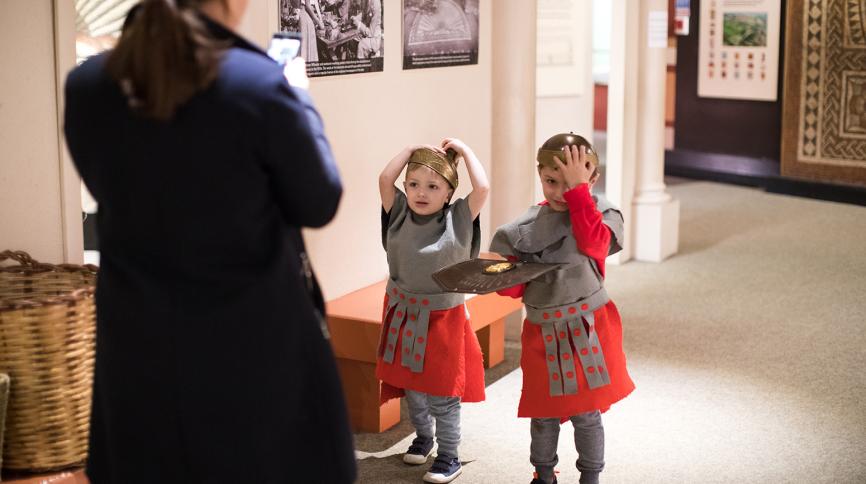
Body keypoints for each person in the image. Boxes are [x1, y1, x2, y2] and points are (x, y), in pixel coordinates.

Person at [62, 1, 356, 482]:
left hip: (138, 342)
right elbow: (319, 201)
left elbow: (107, 186)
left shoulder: (89, 83)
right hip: (250, 343)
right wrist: (298, 96)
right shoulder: (259, 86)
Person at [489, 133, 635, 484]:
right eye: (551, 182)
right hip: (542, 334)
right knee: (543, 414)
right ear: (540, 175)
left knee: (587, 413)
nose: (558, 192)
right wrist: (493, 275)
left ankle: (591, 477)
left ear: (592, 179)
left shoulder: (602, 212)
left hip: (588, 330)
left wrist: (577, 194)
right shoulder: (519, 230)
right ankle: (543, 474)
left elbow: (594, 243)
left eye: (568, 183)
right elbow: (514, 290)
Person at [377, 139, 489, 483]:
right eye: (413, 184)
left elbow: (482, 187)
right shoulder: (398, 212)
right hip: (403, 311)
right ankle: (423, 438)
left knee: (442, 391)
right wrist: (410, 151)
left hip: (443, 319)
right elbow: (384, 179)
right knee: (414, 385)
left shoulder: (458, 217)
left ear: (448, 192)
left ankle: (449, 455)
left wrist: (466, 152)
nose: (420, 193)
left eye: (432, 186)